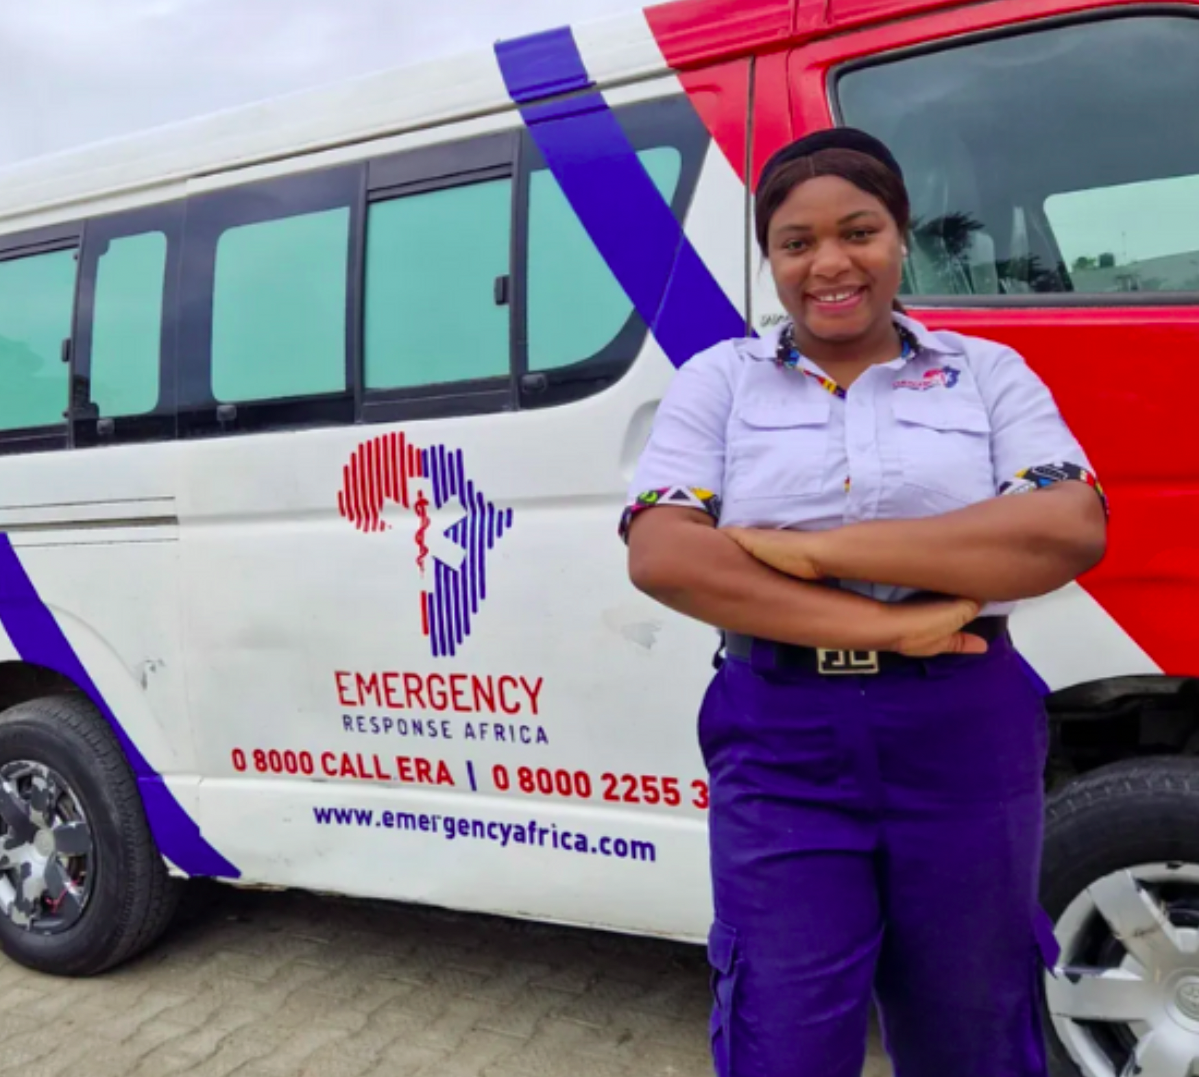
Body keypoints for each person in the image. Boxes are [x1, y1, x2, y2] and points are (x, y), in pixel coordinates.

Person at [620, 128, 1107, 1077]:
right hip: (781, 733)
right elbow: (665, 552)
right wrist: (888, 621)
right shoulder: (718, 380)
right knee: (783, 1028)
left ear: (900, 235)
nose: (829, 263)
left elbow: (1064, 528)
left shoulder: (985, 374)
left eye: (858, 230)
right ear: (770, 259)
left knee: (973, 1018)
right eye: (795, 242)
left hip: (963, 727)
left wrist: (812, 552)